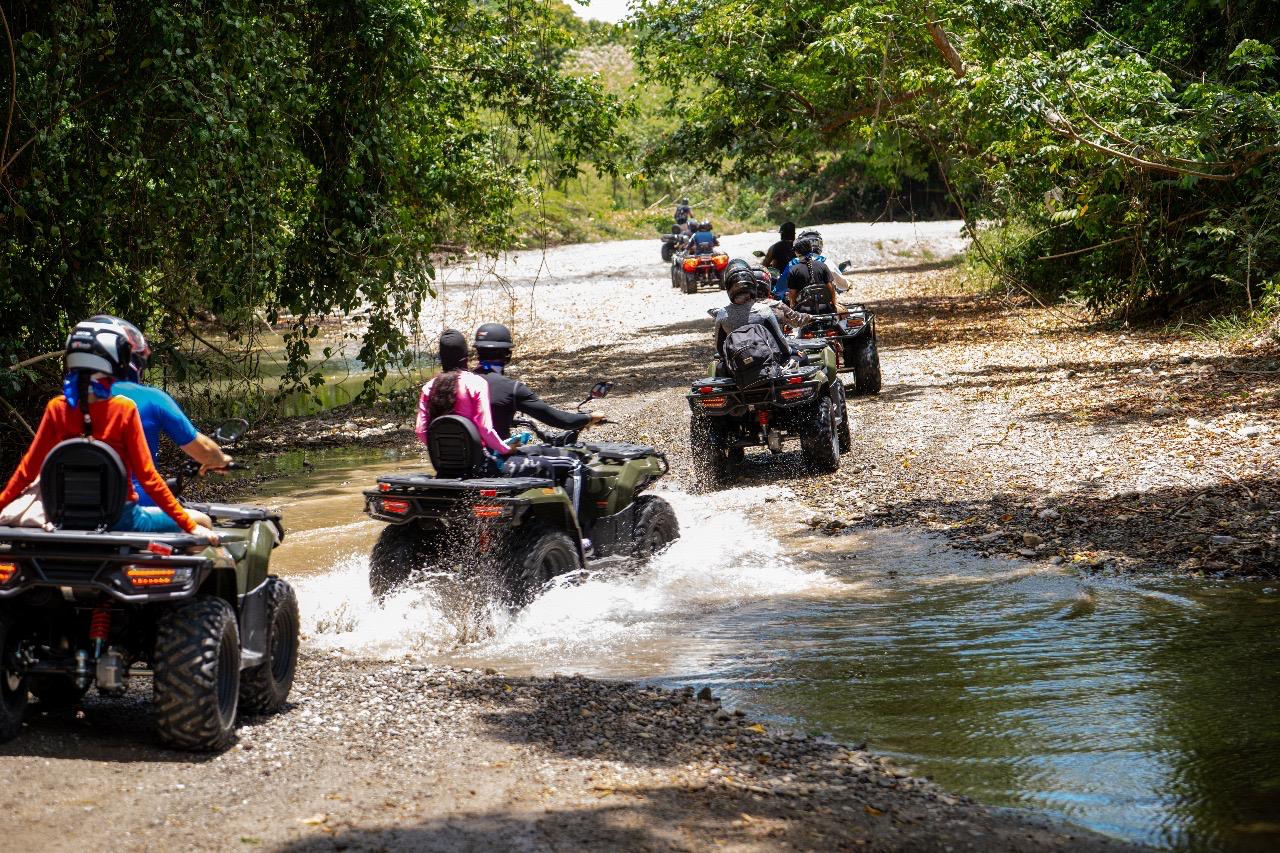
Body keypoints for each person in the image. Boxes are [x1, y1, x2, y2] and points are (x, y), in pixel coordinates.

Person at [0, 319, 214, 539]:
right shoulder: (123, 409)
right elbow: (149, 478)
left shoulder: (57, 408)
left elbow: (26, 472)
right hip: (121, 518)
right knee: (203, 521)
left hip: (65, 517)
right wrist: (190, 525)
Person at [89, 316, 228, 523]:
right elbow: (202, 450)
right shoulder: (150, 399)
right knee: (203, 523)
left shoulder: (64, 404)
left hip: (76, 513)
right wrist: (220, 459)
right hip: (135, 509)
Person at [472, 323, 606, 438]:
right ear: (507, 355)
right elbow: (560, 420)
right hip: (497, 460)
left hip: (464, 461)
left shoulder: (460, 383)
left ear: (478, 352)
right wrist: (589, 417)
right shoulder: (512, 389)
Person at [416, 330, 517, 468]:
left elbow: (421, 431)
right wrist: (506, 449)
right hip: (477, 464)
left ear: (441, 358)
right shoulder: (475, 383)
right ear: (466, 357)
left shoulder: (428, 387)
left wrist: (440, 448)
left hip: (443, 465)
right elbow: (485, 429)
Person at [713, 268, 798, 367]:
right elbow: (779, 340)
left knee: (717, 368)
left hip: (738, 367)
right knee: (802, 358)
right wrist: (792, 351)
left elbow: (719, 347)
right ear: (753, 286)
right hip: (767, 364)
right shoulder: (763, 310)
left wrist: (729, 362)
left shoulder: (723, 313)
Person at [785, 237, 839, 311]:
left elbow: (792, 293)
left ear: (797, 252)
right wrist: (833, 304)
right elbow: (831, 288)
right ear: (811, 249)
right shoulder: (823, 266)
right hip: (825, 308)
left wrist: (792, 307)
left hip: (804, 311)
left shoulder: (794, 270)